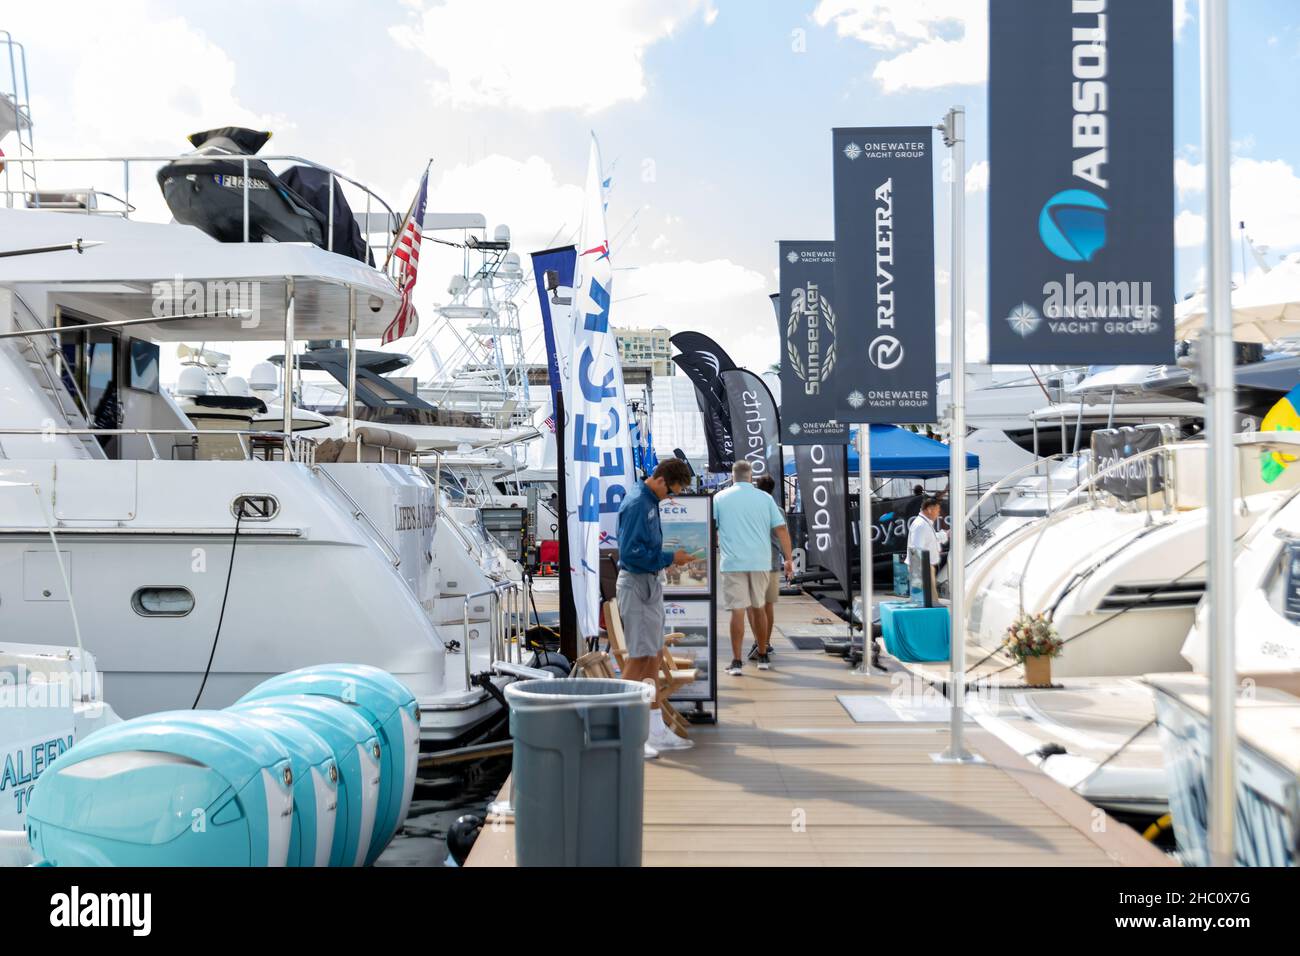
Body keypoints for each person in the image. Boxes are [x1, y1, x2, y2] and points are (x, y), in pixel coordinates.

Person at [616, 457, 697, 758]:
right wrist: (669, 558)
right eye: (672, 490)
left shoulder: (648, 501)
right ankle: (623, 731)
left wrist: (668, 559)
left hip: (647, 585)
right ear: (662, 480)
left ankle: (654, 729)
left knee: (650, 658)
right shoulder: (639, 503)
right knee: (638, 660)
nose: (671, 497)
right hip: (637, 585)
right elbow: (631, 553)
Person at [713, 461, 793, 675]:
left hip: (733, 563)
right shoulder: (766, 499)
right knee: (760, 608)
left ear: (733, 476)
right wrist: (788, 559)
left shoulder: (719, 498)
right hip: (761, 562)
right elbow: (782, 530)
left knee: (737, 611)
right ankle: (763, 655)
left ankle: (737, 662)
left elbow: (711, 527)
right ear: (751, 476)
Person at [752, 474, 784, 660]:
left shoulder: (754, 510)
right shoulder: (778, 509)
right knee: (769, 605)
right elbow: (783, 534)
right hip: (773, 561)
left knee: (756, 605)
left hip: (755, 561)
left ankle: (759, 640)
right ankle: (767, 641)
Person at [906, 495, 949, 598]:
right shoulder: (921, 525)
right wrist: (921, 573)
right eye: (937, 510)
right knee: (929, 600)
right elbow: (916, 549)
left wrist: (945, 534)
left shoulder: (924, 523)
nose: (938, 513)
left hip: (925, 566)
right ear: (929, 510)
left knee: (930, 600)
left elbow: (931, 538)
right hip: (922, 568)